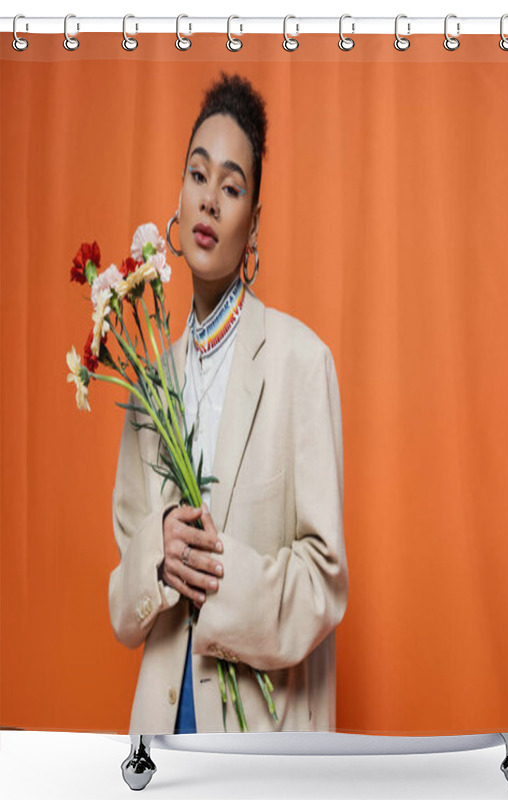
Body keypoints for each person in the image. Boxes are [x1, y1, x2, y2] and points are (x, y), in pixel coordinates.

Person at [108, 71, 348, 734]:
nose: (210, 200)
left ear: (254, 221)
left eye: (232, 186)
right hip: (160, 722)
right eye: (197, 175)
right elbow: (123, 602)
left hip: (263, 734)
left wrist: (222, 578)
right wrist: (158, 555)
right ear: (178, 199)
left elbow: (325, 583)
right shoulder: (147, 385)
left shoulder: (303, 363)